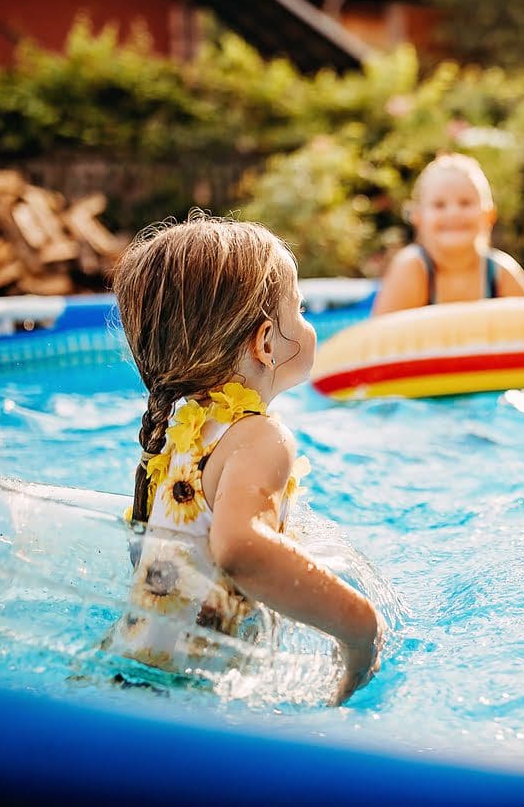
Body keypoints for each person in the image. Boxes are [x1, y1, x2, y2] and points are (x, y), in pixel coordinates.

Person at [107, 214, 383, 703]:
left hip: (128, 672)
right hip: (193, 698)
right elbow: (238, 548)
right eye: (299, 310)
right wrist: (358, 624)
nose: (307, 323)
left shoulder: (180, 431)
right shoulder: (259, 437)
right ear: (266, 343)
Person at [371, 153, 524, 315]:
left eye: (465, 203)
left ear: (488, 215)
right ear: (418, 218)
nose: (453, 213)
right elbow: (378, 338)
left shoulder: (500, 274)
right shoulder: (412, 269)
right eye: (439, 205)